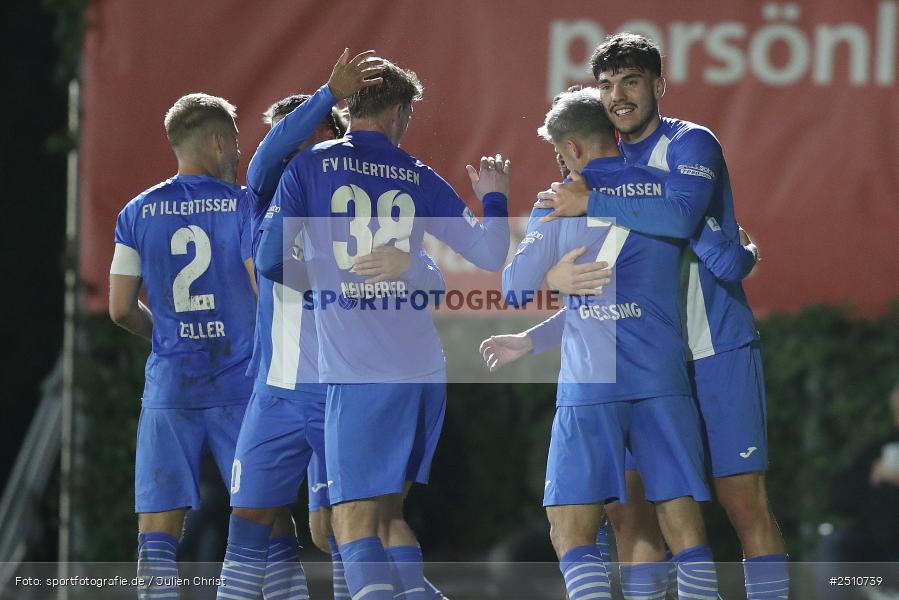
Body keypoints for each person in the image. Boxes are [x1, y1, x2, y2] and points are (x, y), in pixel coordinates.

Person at [534, 32, 788, 599]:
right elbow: (562, 250)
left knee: (743, 501)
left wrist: (594, 202)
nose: (617, 96)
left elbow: (679, 221)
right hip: (639, 358)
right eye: (606, 84)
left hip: (712, 342)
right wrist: (551, 279)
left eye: (631, 81)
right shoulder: (598, 159)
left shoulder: (691, 143)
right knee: (629, 510)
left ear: (659, 85)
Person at [255, 59, 510, 600]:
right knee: (389, 517)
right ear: (399, 111)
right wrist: (494, 196)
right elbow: (491, 254)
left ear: (351, 107)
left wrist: (325, 278)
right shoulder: (420, 175)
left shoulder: (309, 168)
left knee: (349, 525)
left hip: (358, 372)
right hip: (421, 371)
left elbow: (270, 258)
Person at [218, 75, 450, 600]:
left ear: (333, 135)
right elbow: (264, 167)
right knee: (250, 518)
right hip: (277, 389)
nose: (286, 150)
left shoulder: (363, 203)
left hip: (341, 388)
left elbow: (431, 278)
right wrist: (325, 95)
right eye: (281, 138)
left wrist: (407, 272)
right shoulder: (263, 198)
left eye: (301, 136)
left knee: (340, 530)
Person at [502, 87, 719, 600]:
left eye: (560, 153)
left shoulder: (557, 202)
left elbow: (513, 288)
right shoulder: (665, 189)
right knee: (679, 530)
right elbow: (718, 248)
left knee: (570, 530)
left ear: (573, 148)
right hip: (662, 377)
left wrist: (551, 277)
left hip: (591, 384)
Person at [108, 91, 256, 600]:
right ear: (216, 141)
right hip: (240, 383)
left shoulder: (135, 212)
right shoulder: (243, 205)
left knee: (157, 528)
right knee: (264, 515)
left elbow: (120, 308)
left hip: (172, 384)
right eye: (234, 141)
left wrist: (167, 336)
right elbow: (263, 292)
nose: (237, 152)